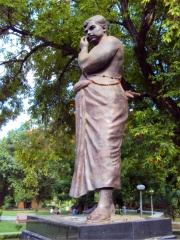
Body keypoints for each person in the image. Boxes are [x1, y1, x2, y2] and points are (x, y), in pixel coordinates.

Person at [69, 15, 139, 222]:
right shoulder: (101, 44)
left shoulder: (111, 41)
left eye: (92, 28)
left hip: (107, 100)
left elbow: (87, 64)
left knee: (106, 147)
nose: (88, 33)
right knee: (94, 150)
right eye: (86, 31)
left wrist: (82, 49)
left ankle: (105, 203)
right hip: (94, 99)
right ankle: (104, 204)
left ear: (104, 27)